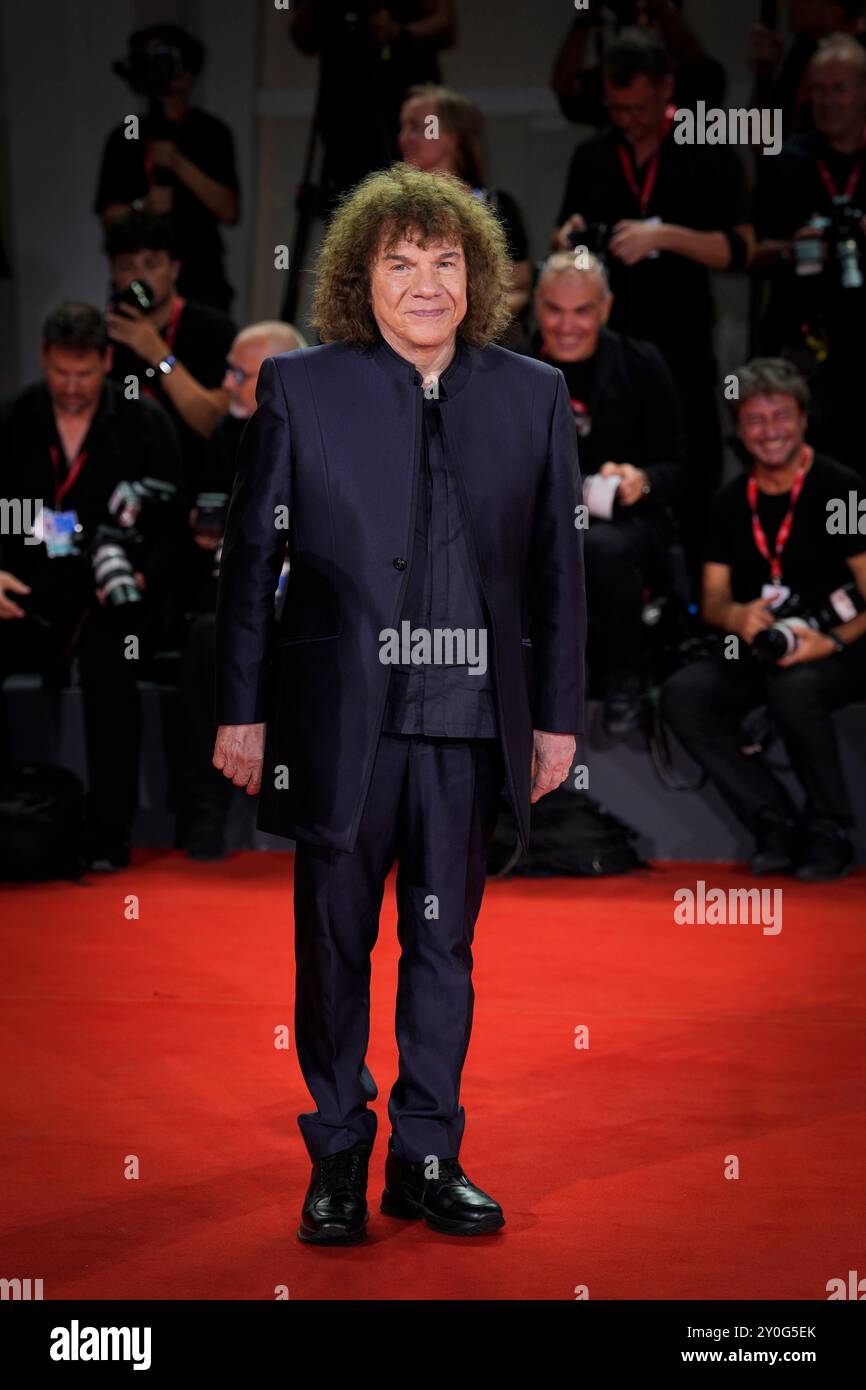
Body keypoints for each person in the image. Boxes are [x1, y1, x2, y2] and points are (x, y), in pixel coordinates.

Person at [212, 164, 586, 1244]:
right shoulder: (302, 386)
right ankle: (336, 1154)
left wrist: (554, 718)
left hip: (470, 724)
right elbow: (247, 566)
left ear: (475, 275)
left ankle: (426, 1156)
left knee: (442, 948)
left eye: (445, 259)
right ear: (357, 277)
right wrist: (242, 713)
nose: (426, 282)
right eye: (399, 260)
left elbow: (557, 573)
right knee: (331, 948)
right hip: (342, 725)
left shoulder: (530, 395)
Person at [552, 28, 753, 590]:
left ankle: (691, 602)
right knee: (607, 469)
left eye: (639, 107)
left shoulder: (705, 148)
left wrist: (663, 236)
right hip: (609, 347)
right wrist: (571, 238)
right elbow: (562, 234)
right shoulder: (594, 153)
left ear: (669, 88)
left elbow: (740, 248)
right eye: (617, 108)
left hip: (681, 335)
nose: (628, 119)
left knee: (688, 465)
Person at [660, 359, 866, 882]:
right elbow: (711, 600)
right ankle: (772, 819)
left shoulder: (843, 488)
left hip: (844, 645)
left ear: (802, 419)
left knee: (795, 688)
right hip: (760, 646)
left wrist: (833, 643)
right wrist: (737, 615)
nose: (769, 430)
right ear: (739, 429)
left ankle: (830, 828)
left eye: (780, 416)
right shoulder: (731, 501)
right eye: (755, 419)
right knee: (686, 694)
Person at [0, 303, 184, 870]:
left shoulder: (143, 419)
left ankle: (109, 835)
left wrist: (142, 571)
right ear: (42, 359)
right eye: (60, 373)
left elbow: (173, 523)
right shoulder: (14, 419)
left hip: (111, 600)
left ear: (106, 361)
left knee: (114, 672)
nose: (73, 387)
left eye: (84, 374)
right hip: (25, 591)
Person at [527, 252, 684, 734]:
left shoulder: (641, 363)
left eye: (583, 311)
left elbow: (680, 465)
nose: (567, 325)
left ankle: (625, 678)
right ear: (536, 305)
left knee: (599, 546)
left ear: (607, 308)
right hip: (536, 516)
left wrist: (642, 478)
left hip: (624, 524)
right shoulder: (511, 363)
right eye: (554, 309)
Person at [179, 321, 306, 862]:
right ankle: (203, 812)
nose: (227, 384)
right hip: (233, 597)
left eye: (241, 373)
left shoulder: (326, 435)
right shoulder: (216, 438)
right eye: (227, 369)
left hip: (314, 599)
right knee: (209, 635)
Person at [752, 34, 866, 474]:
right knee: (809, 464)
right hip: (804, 340)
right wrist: (790, 249)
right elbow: (750, 252)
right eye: (818, 89)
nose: (828, 101)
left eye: (839, 89)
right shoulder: (787, 160)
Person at [94, 23, 240, 312]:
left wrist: (176, 161)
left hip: (201, 278)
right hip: (140, 284)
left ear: (188, 71)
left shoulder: (211, 132)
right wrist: (143, 205)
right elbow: (108, 216)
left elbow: (229, 210)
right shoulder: (126, 136)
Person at [104, 210, 235, 500]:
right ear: (114, 274)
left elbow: (214, 423)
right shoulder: (105, 335)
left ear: (173, 269)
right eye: (127, 266)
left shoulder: (213, 329)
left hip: (194, 490)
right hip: (125, 493)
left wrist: (158, 353)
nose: (139, 277)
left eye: (151, 264)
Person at [289, 0, 457, 210]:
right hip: (345, 99)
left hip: (407, 87)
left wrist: (398, 31)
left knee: (417, 194)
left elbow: (445, 24)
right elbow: (302, 36)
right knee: (352, 198)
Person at [398, 84, 532, 328]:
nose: (404, 138)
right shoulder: (390, 212)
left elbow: (519, 290)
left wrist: (458, 324)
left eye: (418, 127)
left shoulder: (497, 207)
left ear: (452, 136)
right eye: (403, 128)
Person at [552, 0, 726, 129]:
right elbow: (565, 86)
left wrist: (661, 10)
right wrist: (587, 12)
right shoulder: (612, 83)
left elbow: (702, 73)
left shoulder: (688, 83)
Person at [749, 0, 866, 137]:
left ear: (834, 10)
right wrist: (763, 73)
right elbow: (763, 136)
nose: (789, 3)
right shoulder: (804, 49)